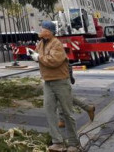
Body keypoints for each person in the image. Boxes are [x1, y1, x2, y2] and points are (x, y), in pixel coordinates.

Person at [32, 21, 79, 152]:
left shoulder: (56, 43)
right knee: (49, 110)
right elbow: (39, 55)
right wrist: (34, 55)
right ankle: (57, 142)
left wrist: (38, 58)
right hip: (48, 82)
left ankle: (74, 143)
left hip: (60, 81)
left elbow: (54, 61)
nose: (41, 31)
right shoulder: (41, 43)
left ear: (50, 31)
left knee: (67, 112)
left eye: (43, 29)